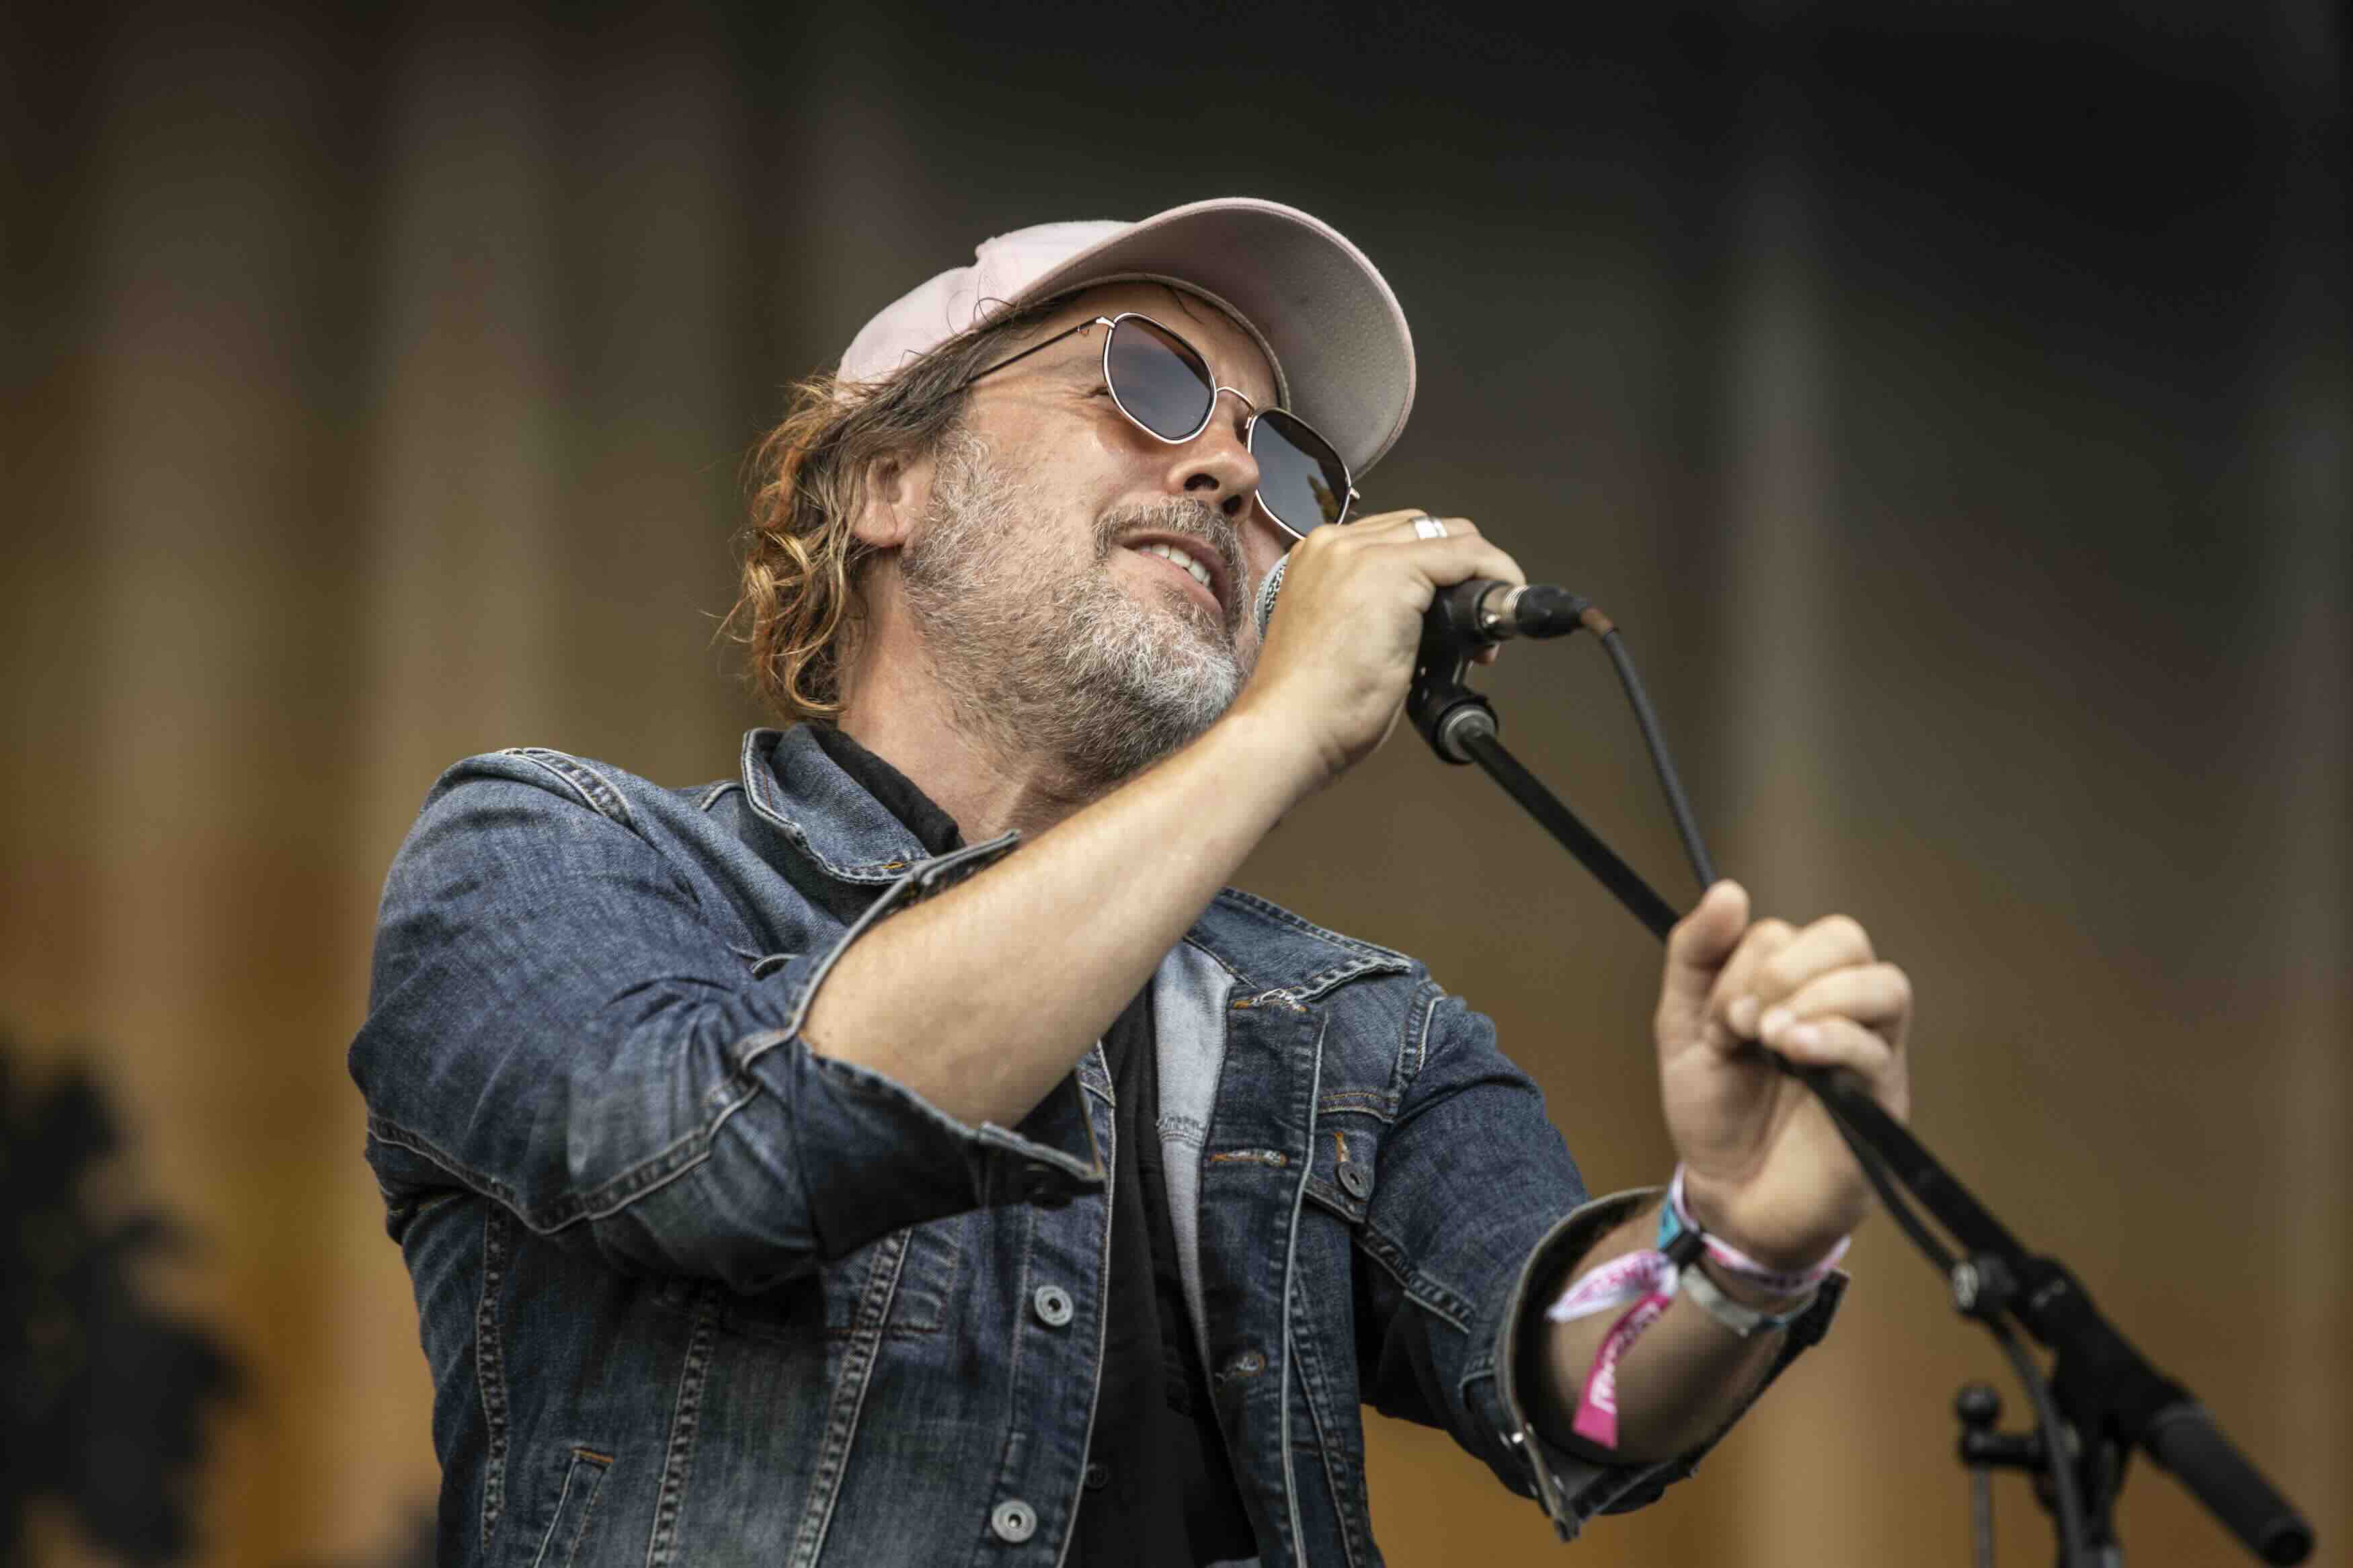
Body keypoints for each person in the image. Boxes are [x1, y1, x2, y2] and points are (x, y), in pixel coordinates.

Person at [350, 197, 1914, 1566]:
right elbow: (724, 1155)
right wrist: (1282, 732)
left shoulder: (1357, 1032)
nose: (1235, 470)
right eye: (1148, 383)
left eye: (1282, 453)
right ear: (887, 482)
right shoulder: (552, 854)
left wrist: (1741, 1251)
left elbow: (1570, 1395)